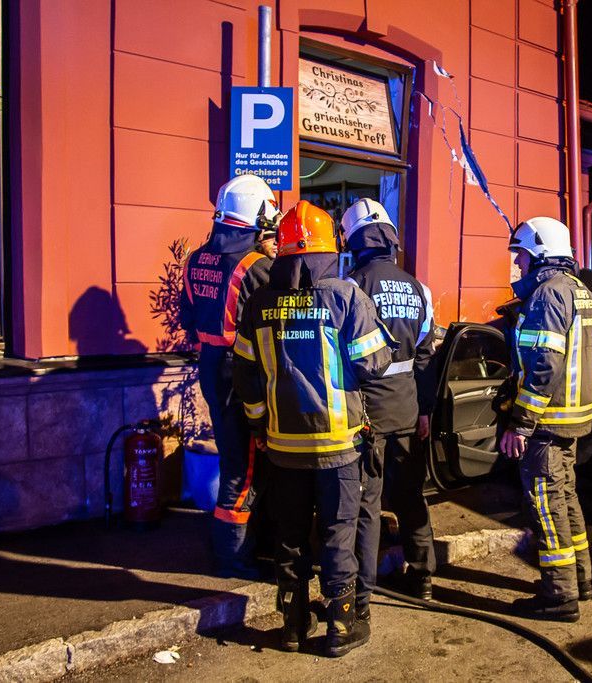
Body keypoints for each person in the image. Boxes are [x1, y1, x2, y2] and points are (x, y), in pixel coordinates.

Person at [232, 200, 394, 657]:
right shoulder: (346, 298)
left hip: (283, 447)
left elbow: (245, 375)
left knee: (290, 536)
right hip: (339, 447)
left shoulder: (259, 304)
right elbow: (374, 363)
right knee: (338, 533)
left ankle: (293, 626)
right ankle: (341, 627)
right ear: (329, 251)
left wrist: (259, 423)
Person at [339, 198, 438, 611]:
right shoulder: (418, 288)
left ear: (354, 242)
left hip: (367, 413)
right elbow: (426, 356)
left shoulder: (351, 287)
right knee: (411, 493)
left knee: (367, 500)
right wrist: (425, 411)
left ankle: (363, 588)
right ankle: (423, 576)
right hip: (408, 409)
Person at [180, 173, 279, 579]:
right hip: (241, 368)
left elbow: (188, 318)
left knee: (234, 454)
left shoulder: (195, 259)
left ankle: (239, 545)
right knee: (246, 463)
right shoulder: (256, 266)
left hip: (210, 364)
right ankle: (233, 555)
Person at [499, 216, 592, 623]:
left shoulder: (548, 294)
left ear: (540, 253)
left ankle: (559, 595)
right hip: (570, 419)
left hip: (546, 422)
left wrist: (520, 422)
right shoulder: (578, 289)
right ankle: (580, 580)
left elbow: (544, 364)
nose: (517, 263)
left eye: (521, 254)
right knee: (566, 497)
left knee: (546, 505)